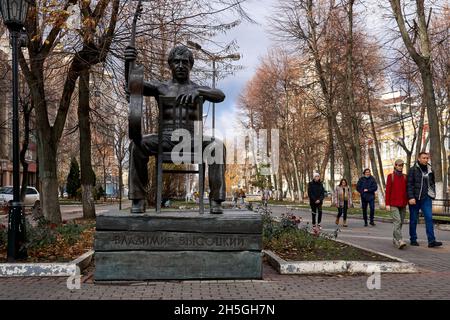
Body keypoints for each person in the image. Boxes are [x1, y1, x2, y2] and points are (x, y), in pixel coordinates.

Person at [125, 45, 226, 214]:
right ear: (170, 65)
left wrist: (199, 92)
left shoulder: (197, 88)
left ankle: (216, 201)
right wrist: (128, 62)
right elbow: (133, 85)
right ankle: (138, 199)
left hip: (191, 139)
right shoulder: (161, 87)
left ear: (191, 65)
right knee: (136, 145)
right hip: (164, 139)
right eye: (176, 62)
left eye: (185, 62)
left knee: (216, 145)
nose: (180, 65)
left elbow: (221, 95)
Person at [407, 152, 443, 248]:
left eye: (427, 158)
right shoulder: (413, 170)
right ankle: (413, 239)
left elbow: (432, 183)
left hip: (426, 198)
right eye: (424, 158)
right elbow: (409, 185)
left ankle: (431, 240)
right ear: (419, 159)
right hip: (415, 198)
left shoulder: (430, 170)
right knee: (414, 220)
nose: (426, 160)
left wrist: (432, 194)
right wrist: (411, 197)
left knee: (429, 219)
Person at [385, 159, 408, 249]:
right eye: (398, 165)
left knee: (400, 222)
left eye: (402, 165)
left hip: (403, 203)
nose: (400, 167)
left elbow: (407, 190)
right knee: (397, 221)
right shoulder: (391, 176)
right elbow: (388, 191)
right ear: (395, 166)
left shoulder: (405, 177)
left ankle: (395, 238)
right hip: (393, 203)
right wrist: (387, 204)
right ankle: (400, 240)